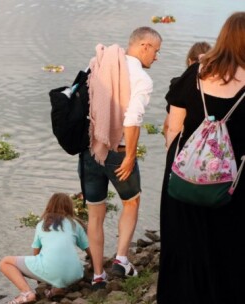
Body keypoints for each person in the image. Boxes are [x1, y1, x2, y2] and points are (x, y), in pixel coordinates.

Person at [158, 11, 245, 303]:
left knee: (184, 243)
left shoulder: (195, 72)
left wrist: (182, 160)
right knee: (228, 246)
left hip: (186, 174)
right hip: (232, 180)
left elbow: (173, 127)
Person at [79, 26, 162, 289]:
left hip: (91, 148)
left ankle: (98, 276)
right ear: (144, 46)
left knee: (95, 213)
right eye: (156, 51)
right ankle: (121, 260)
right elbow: (133, 119)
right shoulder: (141, 78)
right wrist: (129, 156)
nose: (156, 58)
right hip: (118, 151)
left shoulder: (100, 64)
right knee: (131, 202)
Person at [0, 193, 90, 304]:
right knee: (58, 262)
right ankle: (57, 289)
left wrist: (38, 277)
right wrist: (96, 271)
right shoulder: (75, 224)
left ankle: (27, 293)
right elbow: (89, 250)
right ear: (69, 207)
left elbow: (36, 252)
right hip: (76, 273)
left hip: (52, 270)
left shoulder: (42, 224)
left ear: (49, 206)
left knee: (5, 262)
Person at [163, 41, 212, 135]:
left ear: (189, 61)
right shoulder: (219, 87)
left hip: (186, 142)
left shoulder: (179, 84)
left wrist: (169, 146)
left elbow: (169, 126)